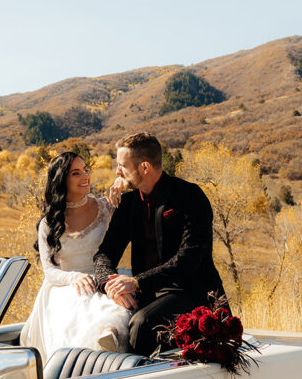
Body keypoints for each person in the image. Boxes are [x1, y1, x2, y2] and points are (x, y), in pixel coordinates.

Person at [94, 132, 226, 355]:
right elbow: (104, 253)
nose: (117, 172)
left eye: (122, 166)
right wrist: (110, 284)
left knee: (141, 324)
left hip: (190, 292)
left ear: (145, 167)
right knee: (97, 318)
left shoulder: (190, 196)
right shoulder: (128, 204)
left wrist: (136, 282)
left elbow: (189, 259)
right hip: (147, 294)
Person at [20, 152, 131, 360]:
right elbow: (50, 272)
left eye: (86, 170)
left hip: (103, 278)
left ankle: (108, 342)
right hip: (67, 286)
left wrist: (120, 181)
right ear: (62, 179)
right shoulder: (49, 223)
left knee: (118, 308)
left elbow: (137, 184)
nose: (85, 176)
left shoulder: (104, 207)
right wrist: (74, 277)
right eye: (76, 173)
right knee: (77, 311)